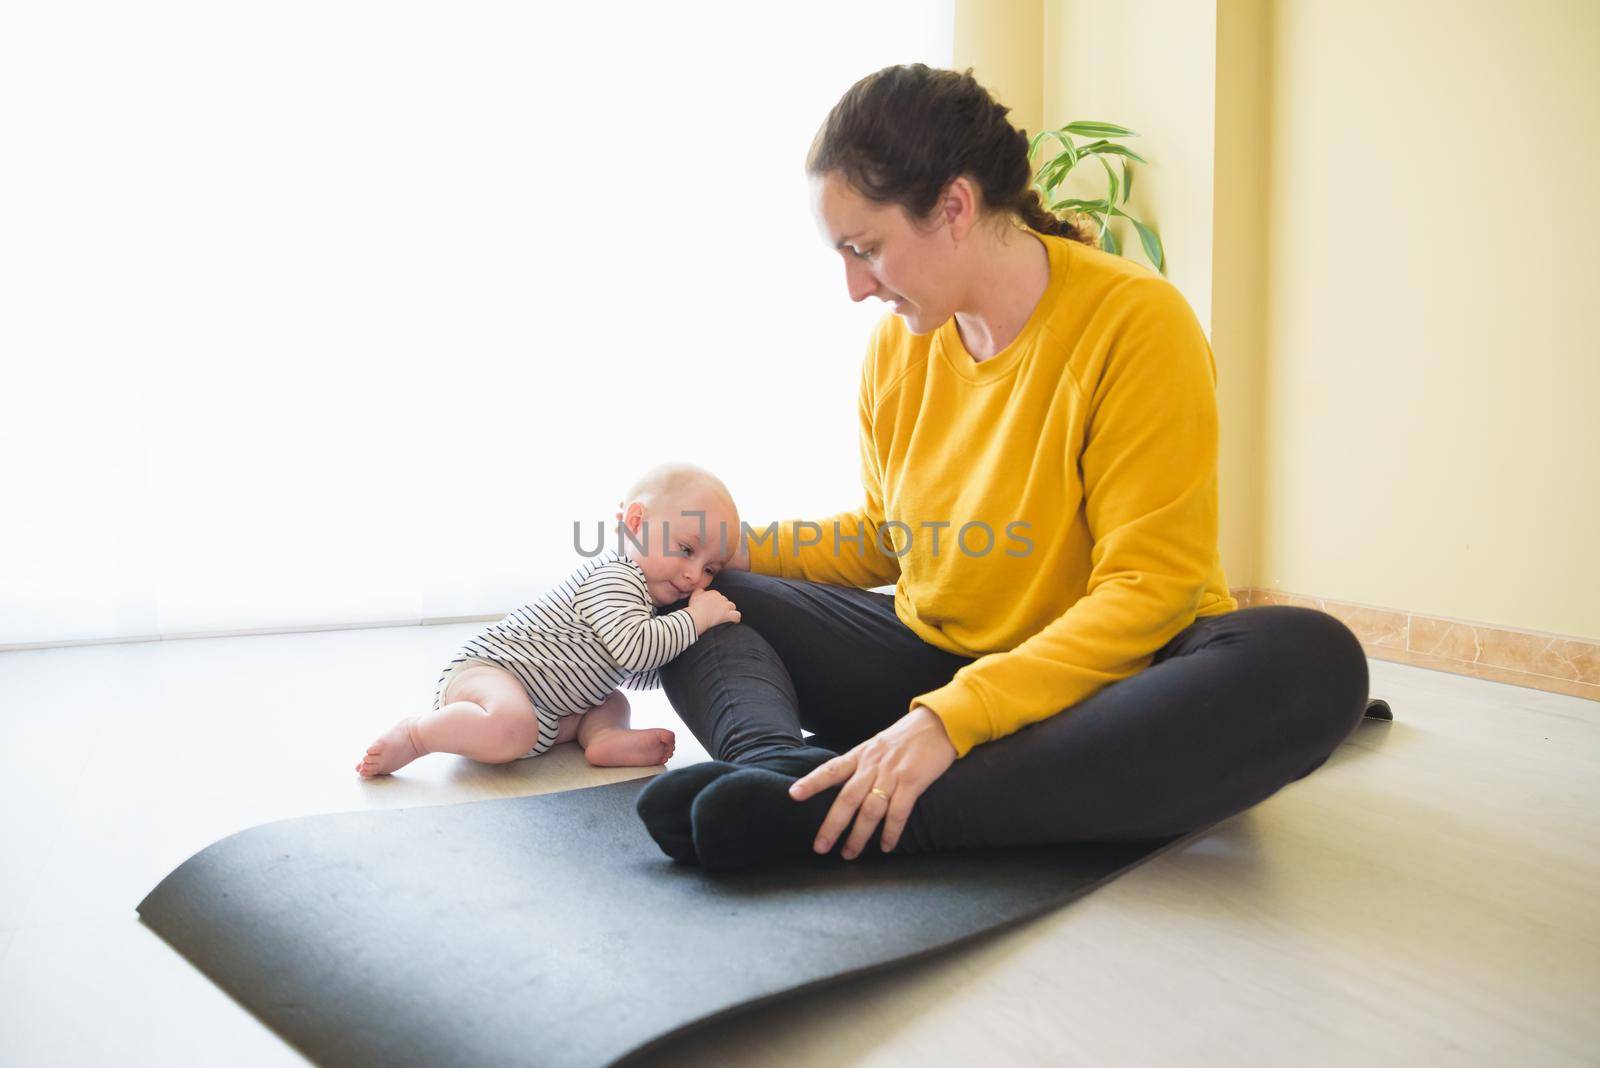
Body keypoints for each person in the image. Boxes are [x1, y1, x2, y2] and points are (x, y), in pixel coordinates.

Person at [634, 64, 1370, 870]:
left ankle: (854, 815)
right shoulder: (898, 346)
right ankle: (783, 777)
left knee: (1312, 660)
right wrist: (723, 550)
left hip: (1105, 686)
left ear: (954, 207)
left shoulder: (1136, 322)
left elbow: (1150, 591)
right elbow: (887, 538)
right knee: (701, 600)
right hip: (938, 661)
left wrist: (951, 722)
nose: (853, 287)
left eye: (867, 249)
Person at [356, 462, 743, 778]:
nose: (695, 575)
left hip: (553, 711)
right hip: (492, 673)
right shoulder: (616, 576)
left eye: (710, 568)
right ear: (637, 525)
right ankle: (417, 734)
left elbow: (630, 668)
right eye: (686, 549)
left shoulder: (646, 600)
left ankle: (604, 735)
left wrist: (680, 660)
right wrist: (695, 620)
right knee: (512, 725)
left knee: (609, 699)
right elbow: (635, 648)